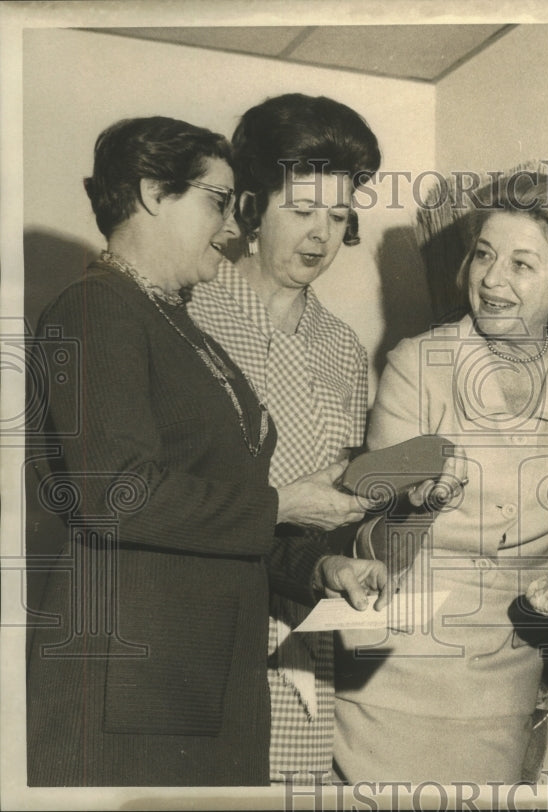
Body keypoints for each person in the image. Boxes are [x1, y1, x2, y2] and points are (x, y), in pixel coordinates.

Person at [25, 116, 390, 787]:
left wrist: (319, 568)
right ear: (151, 194)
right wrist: (286, 501)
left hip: (204, 679)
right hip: (134, 684)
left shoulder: (174, 323)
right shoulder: (95, 309)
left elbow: (220, 510)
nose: (229, 227)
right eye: (217, 202)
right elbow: (120, 494)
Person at [331, 173, 548, 783]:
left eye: (522, 264)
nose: (492, 280)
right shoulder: (418, 364)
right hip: (393, 672)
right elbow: (368, 523)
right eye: (483, 254)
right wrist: (410, 494)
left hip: (503, 680)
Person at [186, 93, 379, 785]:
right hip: (198, 630)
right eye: (301, 211)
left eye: (338, 216)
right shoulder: (187, 313)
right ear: (250, 207)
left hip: (302, 637)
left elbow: (342, 510)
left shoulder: (344, 351)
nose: (321, 237)